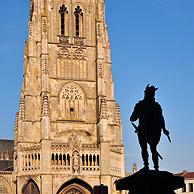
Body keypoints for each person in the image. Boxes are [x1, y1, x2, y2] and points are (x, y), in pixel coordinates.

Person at [130, 85, 170, 171]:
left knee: (148, 149)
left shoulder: (142, 105)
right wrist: (164, 129)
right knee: (151, 149)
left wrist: (164, 129)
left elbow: (133, 118)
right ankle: (152, 167)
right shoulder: (154, 105)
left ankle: (149, 166)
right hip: (149, 130)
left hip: (147, 130)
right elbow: (161, 119)